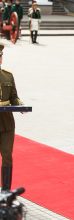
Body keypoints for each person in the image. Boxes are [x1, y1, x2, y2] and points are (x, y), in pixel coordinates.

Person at [0, 44, 23, 192]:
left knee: (7, 155)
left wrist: (20, 105)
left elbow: (14, 97)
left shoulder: (8, 75)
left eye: (0, 56)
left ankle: (6, 191)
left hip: (7, 123)